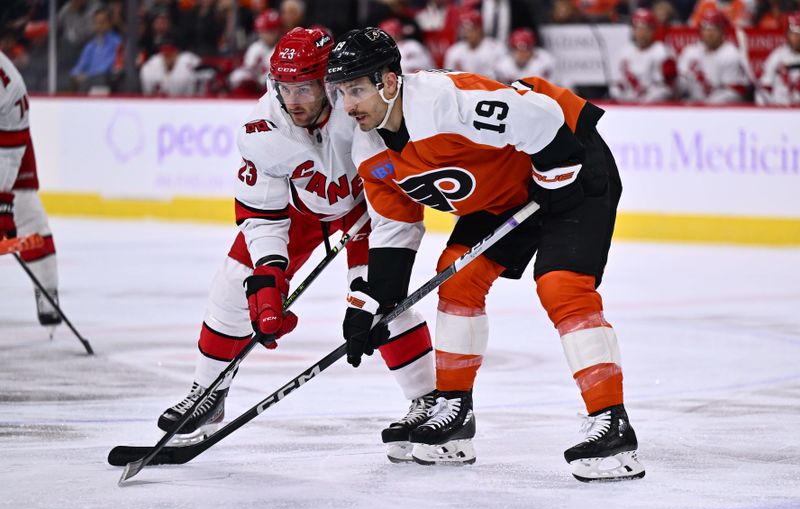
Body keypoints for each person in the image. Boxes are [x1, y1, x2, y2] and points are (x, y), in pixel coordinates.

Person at [327, 27, 645, 481]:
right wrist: (375, 301)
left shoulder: (439, 101)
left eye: (356, 89)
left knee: (561, 285)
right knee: (456, 278)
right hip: (507, 194)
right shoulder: (369, 149)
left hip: (571, 156)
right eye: (340, 92)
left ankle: (612, 423)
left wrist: (555, 172)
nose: (348, 105)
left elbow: (538, 115)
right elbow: (396, 228)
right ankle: (455, 414)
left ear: (389, 82)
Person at [157, 28, 436, 465]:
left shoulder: (359, 105)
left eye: (305, 87)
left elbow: (394, 189)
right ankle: (207, 392)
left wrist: (369, 276)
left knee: (380, 299)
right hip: (299, 211)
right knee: (235, 283)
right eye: (285, 88)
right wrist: (269, 274)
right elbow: (264, 214)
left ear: (328, 82)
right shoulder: (262, 127)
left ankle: (429, 402)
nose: (294, 100)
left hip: (367, 206)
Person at [1, 5, 61, 330]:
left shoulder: (9, 83)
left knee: (26, 209)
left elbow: (10, 148)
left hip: (8, 142)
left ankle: (47, 291)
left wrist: (2, 202)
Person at [677, 8, 750, 104]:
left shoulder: (731, 54)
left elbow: (734, 93)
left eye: (714, 28)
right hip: (694, 106)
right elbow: (681, 86)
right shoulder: (690, 52)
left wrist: (706, 107)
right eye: (705, 28)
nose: (709, 33)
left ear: (722, 31)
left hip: (722, 111)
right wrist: (672, 79)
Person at [610, 8, 677, 103]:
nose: (641, 33)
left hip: (655, 108)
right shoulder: (623, 53)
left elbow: (667, 89)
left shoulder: (663, 52)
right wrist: (624, 99)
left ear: (653, 30)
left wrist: (644, 103)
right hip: (627, 107)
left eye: (646, 28)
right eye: (637, 28)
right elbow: (616, 85)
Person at [443, 10, 505, 79]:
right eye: (464, 29)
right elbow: (448, 79)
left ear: (480, 29)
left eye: (471, 29)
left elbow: (503, 77)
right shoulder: (454, 51)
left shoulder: (496, 48)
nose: (467, 33)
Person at [758, 11, 800, 105]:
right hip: (779, 111)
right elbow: (765, 86)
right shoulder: (777, 55)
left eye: (799, 33)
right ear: (787, 34)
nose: (797, 37)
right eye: (793, 33)